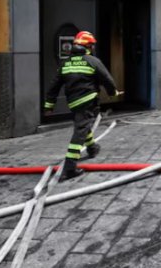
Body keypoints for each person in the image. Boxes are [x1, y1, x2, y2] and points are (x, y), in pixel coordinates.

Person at [43, 30, 118, 181]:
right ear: (88, 46)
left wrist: (49, 106)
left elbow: (54, 86)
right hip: (88, 100)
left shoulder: (66, 63)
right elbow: (107, 79)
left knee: (82, 124)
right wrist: (112, 93)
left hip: (73, 102)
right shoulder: (92, 61)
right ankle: (69, 168)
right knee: (80, 130)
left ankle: (92, 148)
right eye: (92, 46)